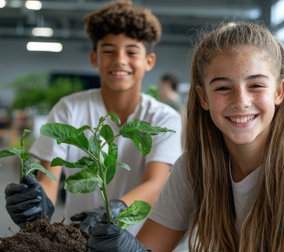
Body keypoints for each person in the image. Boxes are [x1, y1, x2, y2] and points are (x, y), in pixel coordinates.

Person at [87, 22, 284, 252]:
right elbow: (149, 246)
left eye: (256, 85)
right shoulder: (193, 166)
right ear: (203, 98)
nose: (241, 101)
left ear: (279, 91)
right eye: (223, 88)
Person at [4, 0, 182, 236]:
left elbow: (156, 183)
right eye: (108, 50)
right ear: (94, 58)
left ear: (149, 61)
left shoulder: (163, 118)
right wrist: (37, 205)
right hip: (78, 237)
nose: (120, 60)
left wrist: (115, 209)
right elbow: (49, 177)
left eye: (131, 52)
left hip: (138, 241)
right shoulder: (69, 109)